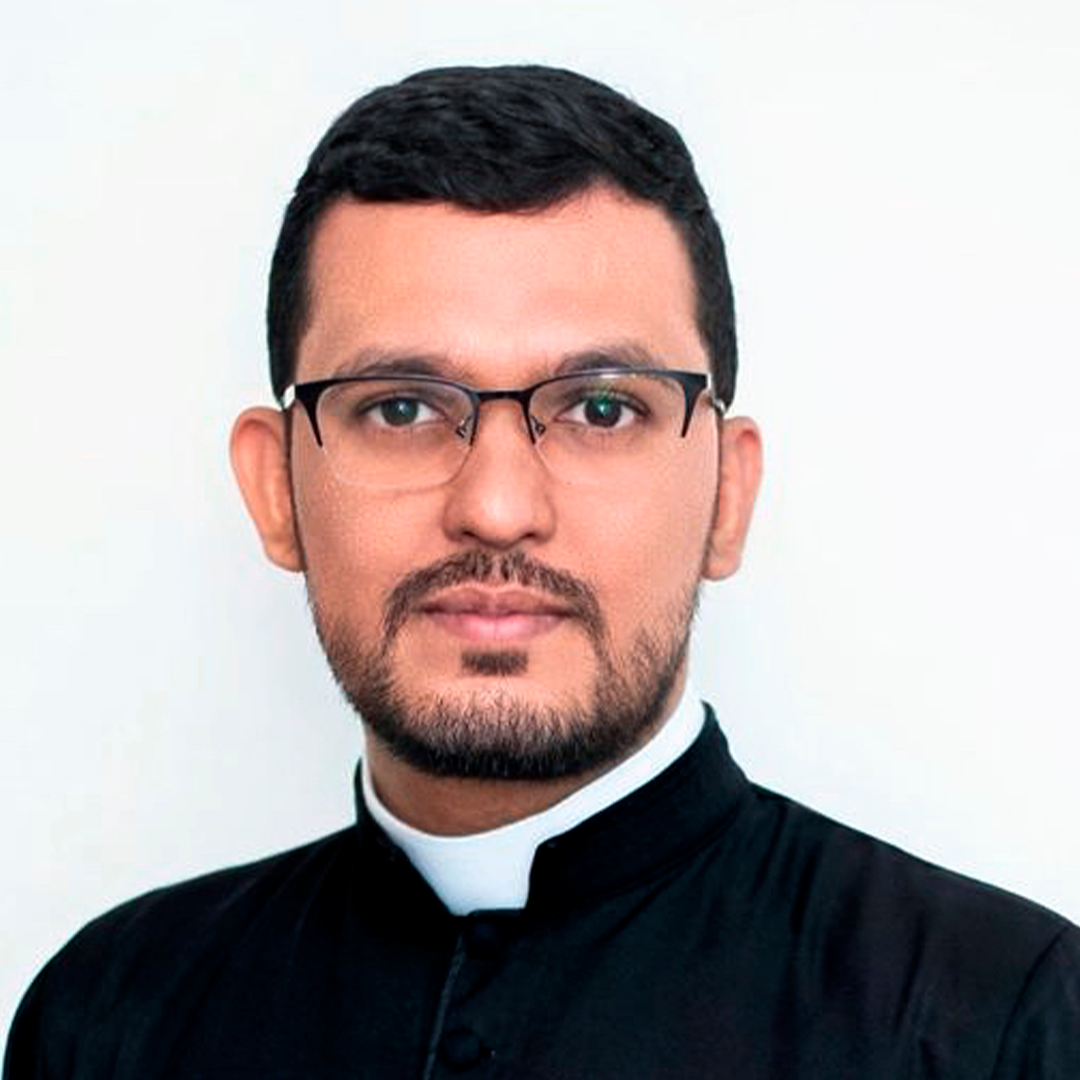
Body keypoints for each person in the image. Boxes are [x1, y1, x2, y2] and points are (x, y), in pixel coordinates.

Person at [5, 64, 1078, 1079]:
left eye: (602, 409)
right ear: (277, 488)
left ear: (727, 496)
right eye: (400, 408)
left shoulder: (1001, 1024)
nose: (498, 507)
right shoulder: (108, 1019)